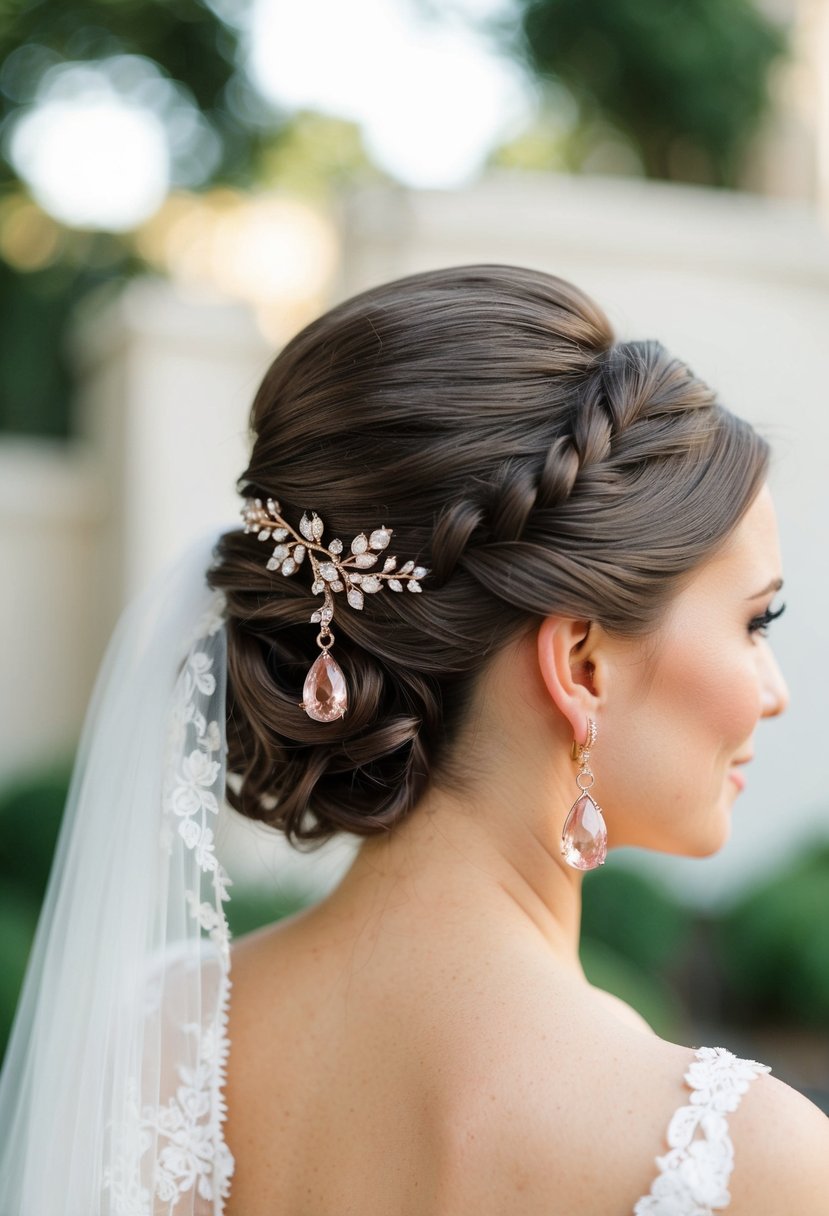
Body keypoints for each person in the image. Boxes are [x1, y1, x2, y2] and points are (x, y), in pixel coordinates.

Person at [0, 263, 826, 1215]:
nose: (775, 694)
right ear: (582, 663)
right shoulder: (751, 1162)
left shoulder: (146, 1038)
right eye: (754, 623)